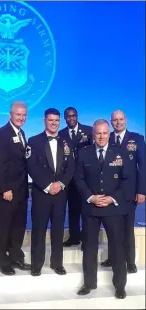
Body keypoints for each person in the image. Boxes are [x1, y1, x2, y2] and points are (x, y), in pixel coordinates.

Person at [74, 119, 129, 299]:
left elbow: (127, 180)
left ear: (109, 133)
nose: (102, 136)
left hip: (113, 208)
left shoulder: (120, 152)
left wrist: (112, 199)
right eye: (98, 133)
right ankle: (89, 283)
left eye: (105, 133)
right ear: (93, 135)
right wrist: (91, 197)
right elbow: (78, 178)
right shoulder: (83, 153)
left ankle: (120, 286)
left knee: (117, 248)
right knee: (89, 248)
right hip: (91, 208)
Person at [26, 108, 75, 276]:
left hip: (60, 194)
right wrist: (48, 186)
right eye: (50, 120)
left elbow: (71, 167)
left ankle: (57, 263)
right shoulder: (33, 141)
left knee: (58, 229)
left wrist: (60, 184)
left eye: (56, 120)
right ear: (44, 121)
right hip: (42, 194)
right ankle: (37, 264)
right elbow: (31, 167)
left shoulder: (65, 142)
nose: (54, 123)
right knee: (39, 230)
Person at [101, 110, 145, 273]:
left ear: (125, 120)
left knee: (127, 228)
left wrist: (141, 191)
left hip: (129, 193)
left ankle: (130, 261)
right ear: (111, 122)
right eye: (115, 120)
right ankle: (113, 257)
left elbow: (143, 166)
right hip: (110, 193)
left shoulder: (137, 138)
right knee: (112, 227)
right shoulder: (107, 137)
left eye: (120, 119)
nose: (118, 123)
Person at [0, 101, 30, 275]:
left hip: (21, 190)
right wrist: (5, 188)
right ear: (10, 115)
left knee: (18, 226)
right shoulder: (2, 134)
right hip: (7, 191)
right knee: (3, 225)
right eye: (18, 114)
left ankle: (16, 257)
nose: (21, 118)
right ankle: (2, 259)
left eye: (24, 115)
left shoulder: (21, 133)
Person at [59, 107, 93, 247]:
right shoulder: (60, 134)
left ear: (77, 116)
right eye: (68, 116)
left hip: (85, 178)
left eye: (73, 116)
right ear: (65, 118)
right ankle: (74, 237)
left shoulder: (89, 131)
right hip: (68, 179)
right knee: (72, 210)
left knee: (86, 210)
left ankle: (87, 239)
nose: (71, 118)